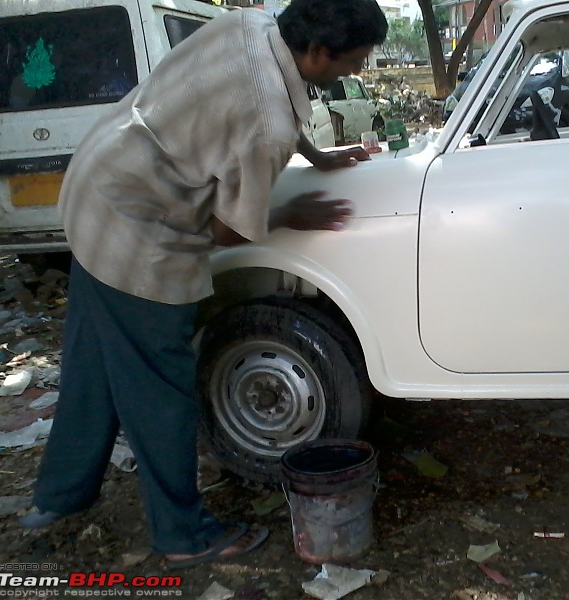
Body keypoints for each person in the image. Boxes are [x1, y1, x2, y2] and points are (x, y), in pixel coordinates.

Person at [19, 0, 388, 570]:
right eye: (353, 62)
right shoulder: (266, 119)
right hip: (136, 231)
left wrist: (315, 154)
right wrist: (290, 212)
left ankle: (58, 496)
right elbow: (224, 229)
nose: (355, 73)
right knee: (159, 392)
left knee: (92, 363)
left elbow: (273, 118)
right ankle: (183, 534)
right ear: (317, 51)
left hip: (96, 182)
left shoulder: (249, 25)